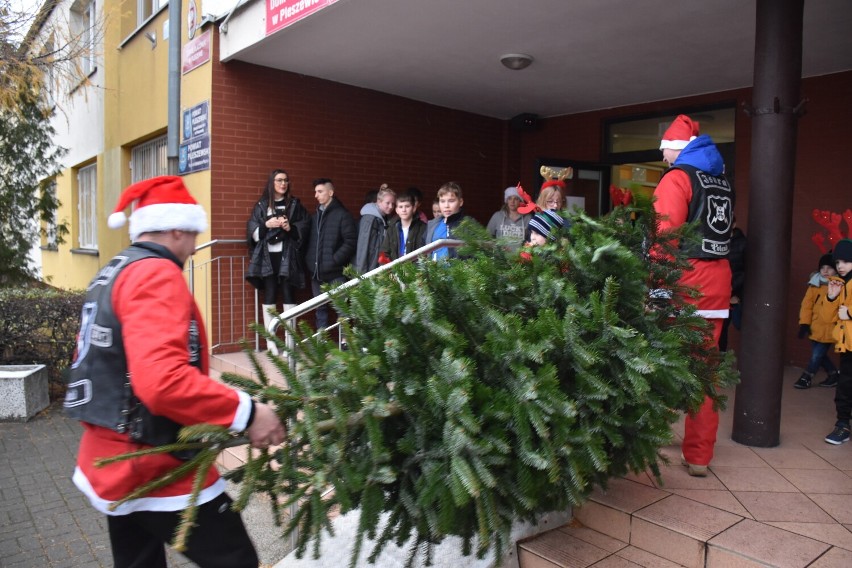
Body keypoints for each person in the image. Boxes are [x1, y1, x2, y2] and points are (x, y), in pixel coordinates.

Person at [64, 176, 286, 568]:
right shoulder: (156, 274)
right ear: (177, 228)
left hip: (111, 454)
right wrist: (249, 412)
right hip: (153, 460)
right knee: (236, 560)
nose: (196, 244)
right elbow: (162, 381)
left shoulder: (117, 268)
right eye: (194, 233)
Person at [653, 114, 734, 476]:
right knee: (704, 370)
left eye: (664, 150)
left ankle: (651, 433)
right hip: (717, 284)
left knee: (659, 361)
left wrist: (656, 286)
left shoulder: (677, 179)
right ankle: (699, 455)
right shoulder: (720, 180)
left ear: (675, 149)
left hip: (684, 283)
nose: (663, 157)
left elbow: (663, 237)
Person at [245, 169, 309, 351]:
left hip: (288, 257)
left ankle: (290, 343)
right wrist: (266, 225)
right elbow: (252, 230)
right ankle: (272, 344)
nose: (283, 184)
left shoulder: (295, 204)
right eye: (279, 180)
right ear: (272, 183)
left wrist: (291, 227)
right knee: (270, 295)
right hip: (268, 258)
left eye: (286, 180)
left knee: (289, 296)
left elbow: (304, 228)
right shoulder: (262, 205)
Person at [304, 178, 358, 332]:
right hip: (316, 273)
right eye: (315, 192)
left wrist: (333, 261)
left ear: (331, 193)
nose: (316, 195)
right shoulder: (315, 217)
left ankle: (345, 346)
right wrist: (310, 261)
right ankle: (322, 345)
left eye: (320, 191)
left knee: (342, 311)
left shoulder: (342, 215)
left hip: (335, 273)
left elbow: (350, 242)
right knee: (319, 312)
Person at [795, 252, 841, 389]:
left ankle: (806, 377)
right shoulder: (814, 285)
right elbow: (807, 305)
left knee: (816, 355)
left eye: (829, 268)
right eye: (822, 268)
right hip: (814, 326)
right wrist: (804, 323)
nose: (825, 271)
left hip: (830, 327)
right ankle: (833, 374)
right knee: (820, 355)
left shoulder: (839, 285)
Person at [821, 239, 852, 444]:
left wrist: (849, 312)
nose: (840, 266)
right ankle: (842, 425)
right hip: (847, 345)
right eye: (838, 262)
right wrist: (831, 298)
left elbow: (846, 314)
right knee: (845, 386)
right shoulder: (838, 284)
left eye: (846, 261)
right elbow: (826, 318)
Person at [719, 220, 746, 352]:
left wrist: (734, 293)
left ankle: (721, 360)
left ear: (734, 224)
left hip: (733, 295)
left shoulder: (742, 244)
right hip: (718, 292)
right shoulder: (717, 240)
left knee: (724, 328)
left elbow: (745, 272)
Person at [355, 186, 396, 274]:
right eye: (387, 203)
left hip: (376, 267)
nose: (391, 206)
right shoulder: (370, 219)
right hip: (369, 269)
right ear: (378, 201)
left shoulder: (384, 217)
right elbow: (363, 248)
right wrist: (361, 275)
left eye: (393, 203)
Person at [377, 192, 427, 264]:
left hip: (415, 272)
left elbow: (425, 253)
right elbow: (385, 253)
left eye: (407, 206)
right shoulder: (391, 228)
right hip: (395, 272)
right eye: (400, 207)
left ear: (414, 208)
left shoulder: (423, 228)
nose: (404, 210)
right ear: (396, 210)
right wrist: (389, 273)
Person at [425, 181, 469, 261]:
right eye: (442, 201)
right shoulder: (432, 225)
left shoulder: (468, 225)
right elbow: (423, 253)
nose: (446, 206)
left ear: (461, 202)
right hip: (434, 272)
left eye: (451, 201)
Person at [487, 186, 531, 250]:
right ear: (506, 201)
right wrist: (496, 248)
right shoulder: (497, 216)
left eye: (516, 199)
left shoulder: (527, 218)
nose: (512, 201)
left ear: (520, 201)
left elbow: (532, 240)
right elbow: (487, 237)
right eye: (510, 198)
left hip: (520, 258)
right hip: (500, 258)